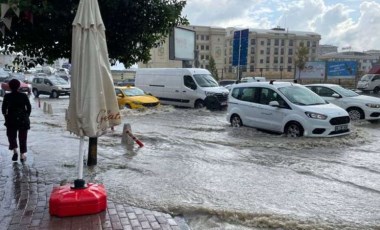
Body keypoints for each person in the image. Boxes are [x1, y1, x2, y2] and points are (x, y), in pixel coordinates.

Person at [2, 79, 31, 162]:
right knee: (23, 137)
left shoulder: (7, 96)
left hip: (11, 119)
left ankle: (15, 151)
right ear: (19, 86)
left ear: (10, 87)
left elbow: (3, 109)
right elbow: (29, 107)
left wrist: (6, 117)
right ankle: (22, 156)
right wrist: (26, 116)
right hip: (23, 119)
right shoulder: (23, 96)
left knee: (11, 136)